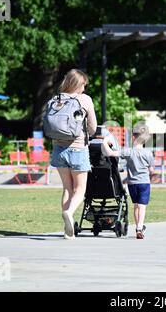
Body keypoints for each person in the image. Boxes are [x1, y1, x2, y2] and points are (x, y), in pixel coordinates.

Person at [50, 69, 97, 240]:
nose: (84, 88)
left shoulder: (56, 99)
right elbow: (92, 127)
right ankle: (69, 213)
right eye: (83, 84)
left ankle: (67, 230)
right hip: (78, 148)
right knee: (80, 189)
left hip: (58, 150)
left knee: (67, 189)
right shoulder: (85, 100)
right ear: (79, 84)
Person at [102, 123, 155, 239]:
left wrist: (105, 142)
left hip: (132, 184)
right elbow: (151, 170)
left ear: (134, 137)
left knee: (136, 206)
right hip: (144, 183)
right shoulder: (148, 153)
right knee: (142, 206)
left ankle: (138, 227)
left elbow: (110, 153)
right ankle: (139, 228)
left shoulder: (128, 151)